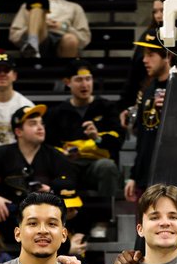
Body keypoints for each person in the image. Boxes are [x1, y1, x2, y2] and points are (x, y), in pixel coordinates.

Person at [0, 105, 77, 223]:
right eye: (33, 124)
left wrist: (52, 190)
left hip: (43, 209)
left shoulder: (54, 154)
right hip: (9, 209)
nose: (40, 128)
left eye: (41, 123)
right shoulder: (3, 152)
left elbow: (69, 182)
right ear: (18, 131)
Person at [44, 60, 123, 199]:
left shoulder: (107, 107)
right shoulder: (56, 112)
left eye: (88, 79)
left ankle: (105, 217)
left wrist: (97, 138)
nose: (85, 84)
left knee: (107, 166)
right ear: (67, 82)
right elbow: (49, 146)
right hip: (69, 164)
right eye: (79, 80)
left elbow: (118, 141)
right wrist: (63, 153)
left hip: (96, 164)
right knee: (58, 169)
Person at [124, 38, 172, 203]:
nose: (145, 60)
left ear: (167, 56)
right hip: (145, 176)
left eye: (151, 55)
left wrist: (173, 108)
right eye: (144, 55)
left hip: (171, 177)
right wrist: (133, 176)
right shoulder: (147, 88)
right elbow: (143, 139)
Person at [7, 0, 90, 59]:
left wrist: (63, 26)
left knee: (70, 39)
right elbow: (14, 35)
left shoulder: (74, 7)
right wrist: (37, 24)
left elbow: (84, 38)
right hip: (39, 38)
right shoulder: (27, 6)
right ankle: (32, 46)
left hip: (63, 40)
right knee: (37, 6)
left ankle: (66, 73)